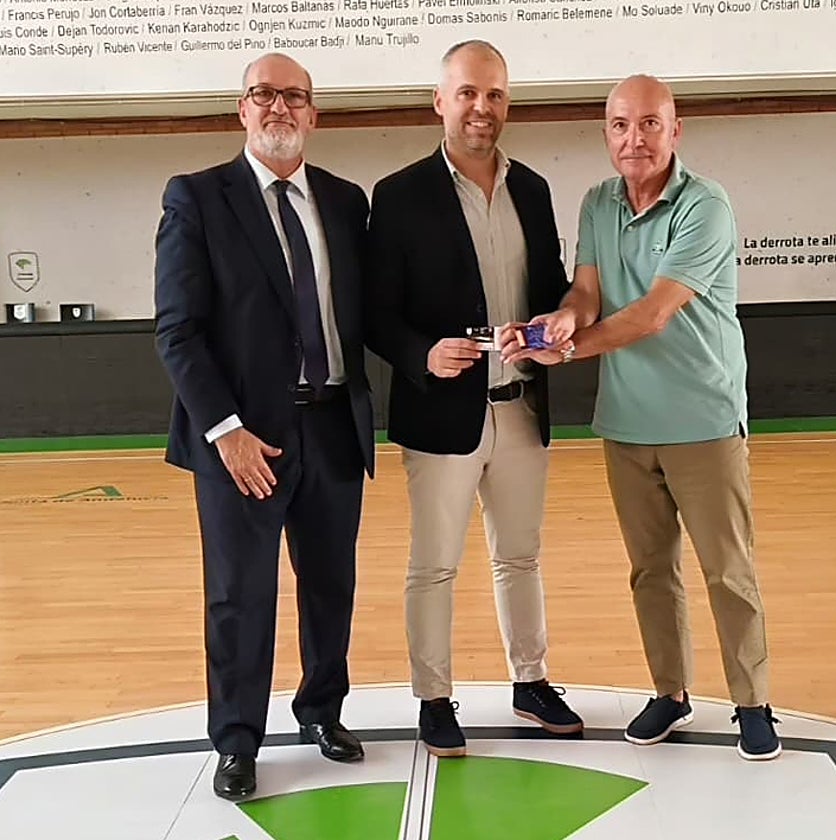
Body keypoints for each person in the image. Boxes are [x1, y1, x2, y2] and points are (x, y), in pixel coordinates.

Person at [503, 74, 781, 760]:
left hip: (703, 420)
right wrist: (560, 322)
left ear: (675, 131)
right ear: (607, 134)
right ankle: (671, 692)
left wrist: (564, 353)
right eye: (622, 125)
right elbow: (589, 292)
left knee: (727, 570)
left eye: (650, 124)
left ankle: (753, 702)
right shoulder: (598, 202)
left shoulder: (706, 205)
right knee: (650, 570)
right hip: (626, 423)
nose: (636, 138)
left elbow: (655, 312)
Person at [153, 52, 376, 800]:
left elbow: (367, 314)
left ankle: (322, 710)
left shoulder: (346, 203)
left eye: (294, 96)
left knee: (330, 588)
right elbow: (177, 331)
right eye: (263, 95)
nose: (278, 107)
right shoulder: (196, 197)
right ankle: (238, 741)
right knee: (240, 596)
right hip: (244, 442)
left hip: (334, 428)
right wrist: (226, 429)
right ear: (241, 110)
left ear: (313, 113)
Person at [365, 39, 583, 758]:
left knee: (520, 556)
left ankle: (532, 681)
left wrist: (555, 328)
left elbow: (550, 289)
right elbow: (375, 313)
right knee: (434, 564)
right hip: (441, 411)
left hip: (522, 405)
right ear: (440, 101)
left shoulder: (535, 188)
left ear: (507, 102)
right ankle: (433, 697)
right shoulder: (398, 196)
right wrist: (421, 354)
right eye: (467, 93)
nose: (481, 108)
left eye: (493, 95)